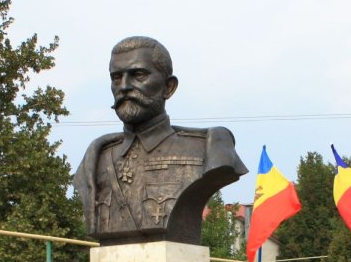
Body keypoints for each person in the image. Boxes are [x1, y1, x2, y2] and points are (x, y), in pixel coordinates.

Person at [71, 36, 247, 246]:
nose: (124, 86)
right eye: (116, 77)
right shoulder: (96, 157)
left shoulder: (208, 147)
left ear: (168, 87)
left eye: (138, 75)